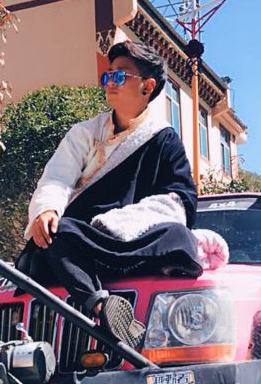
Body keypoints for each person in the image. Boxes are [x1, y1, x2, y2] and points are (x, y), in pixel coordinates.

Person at [15, 41, 202, 349]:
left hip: (129, 240)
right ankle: (102, 305)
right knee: (56, 233)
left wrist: (119, 225)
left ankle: (98, 293)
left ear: (147, 86)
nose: (109, 83)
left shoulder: (164, 139)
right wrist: (47, 209)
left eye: (120, 76)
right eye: (107, 76)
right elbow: (58, 177)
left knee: (178, 237)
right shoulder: (84, 133)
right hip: (85, 241)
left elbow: (179, 200)